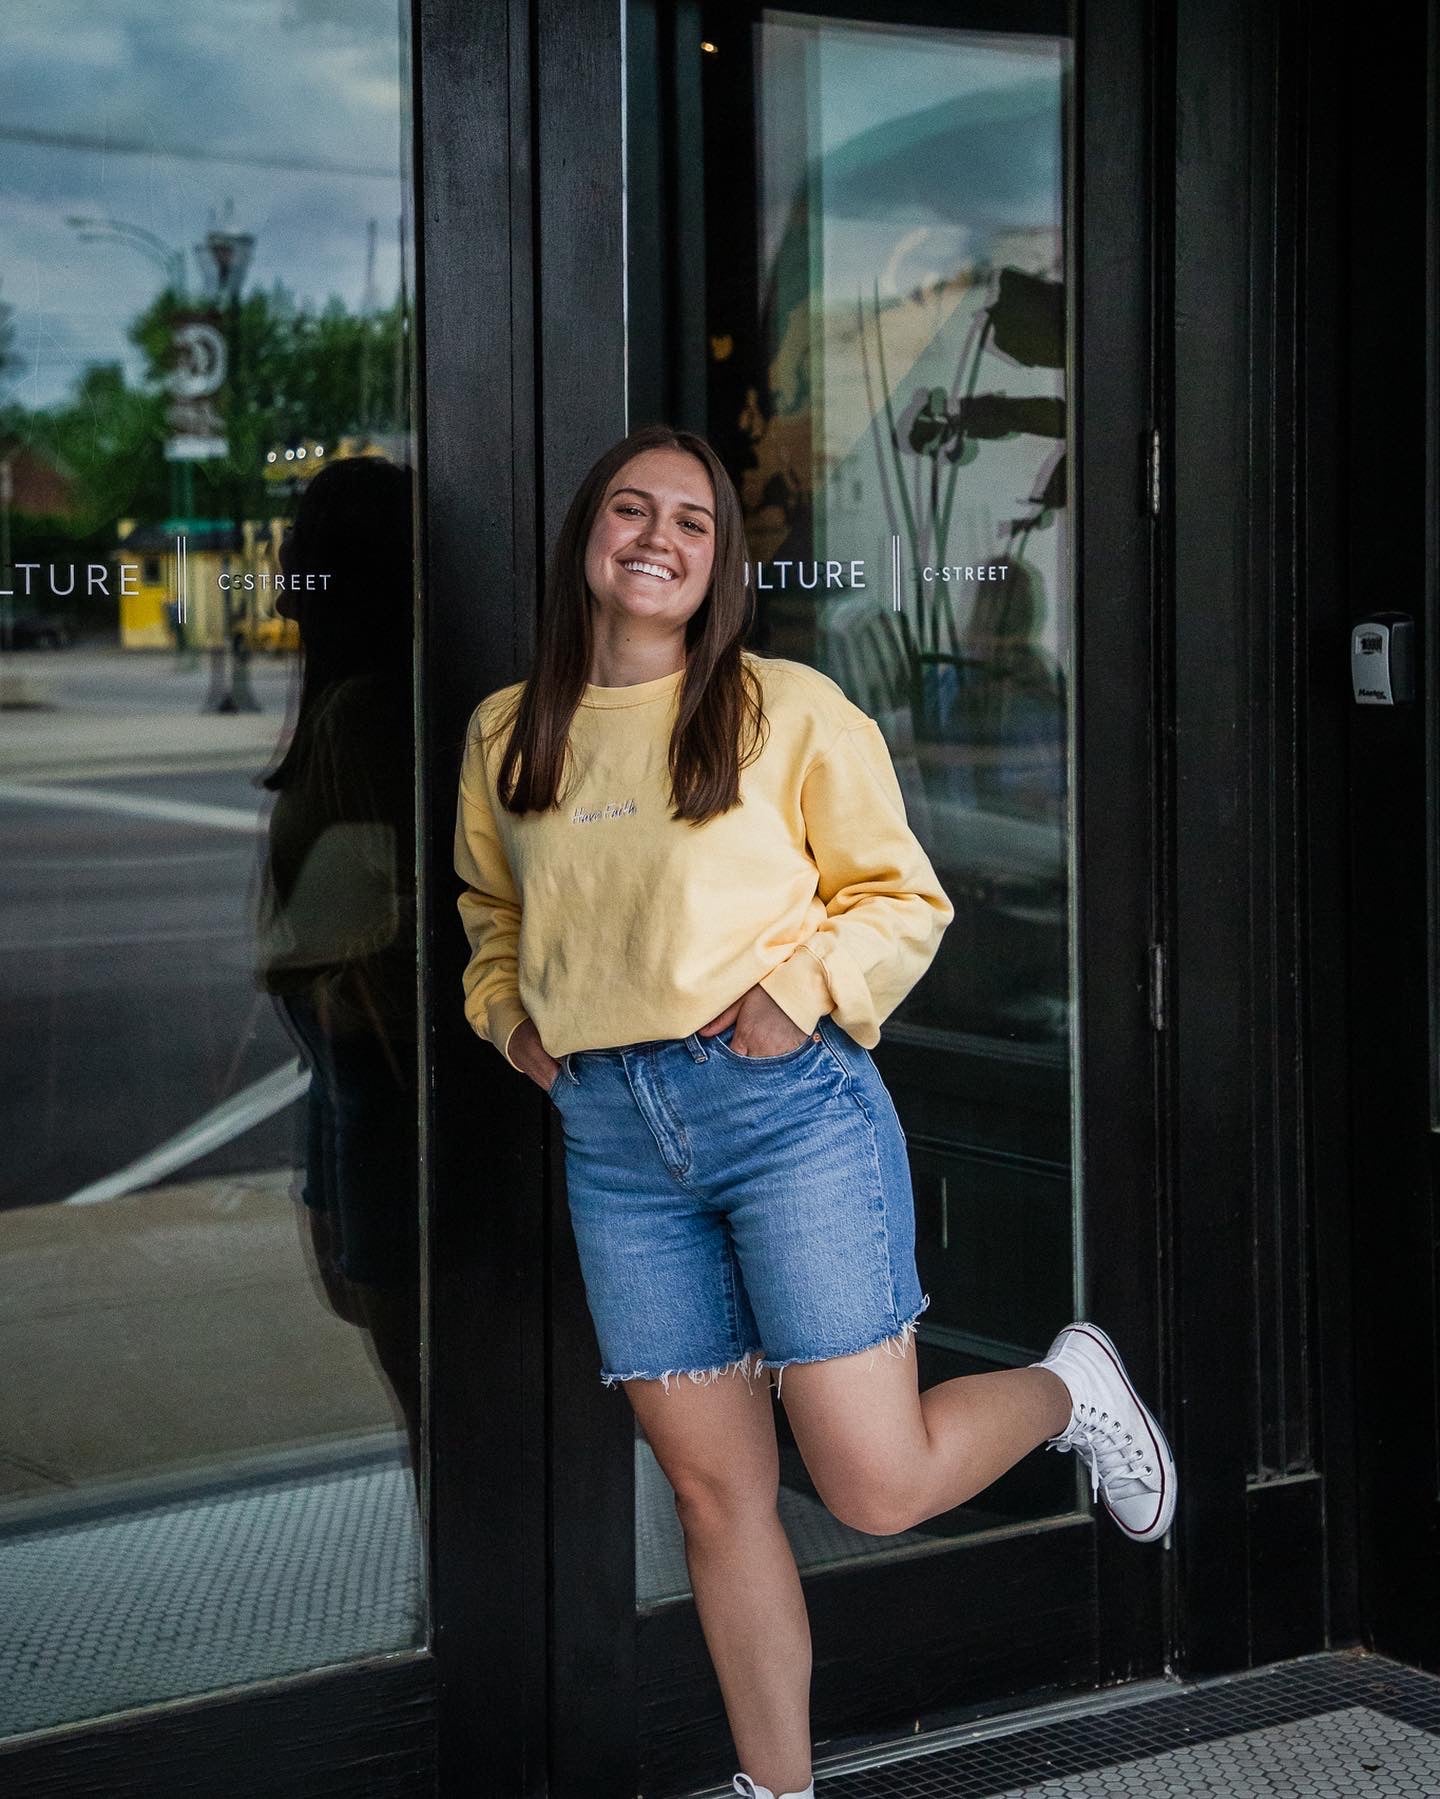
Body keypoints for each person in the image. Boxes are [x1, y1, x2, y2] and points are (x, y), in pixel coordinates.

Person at [454, 423, 1176, 1799]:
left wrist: (797, 997)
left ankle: (1072, 1390)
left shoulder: (782, 707)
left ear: (719, 562)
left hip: (786, 1113)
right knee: (718, 1499)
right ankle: (776, 1791)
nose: (657, 538)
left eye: (692, 522)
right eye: (630, 511)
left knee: (873, 1486)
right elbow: (492, 912)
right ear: (587, 540)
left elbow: (899, 895)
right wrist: (516, 1025)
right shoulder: (509, 729)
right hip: (613, 1143)